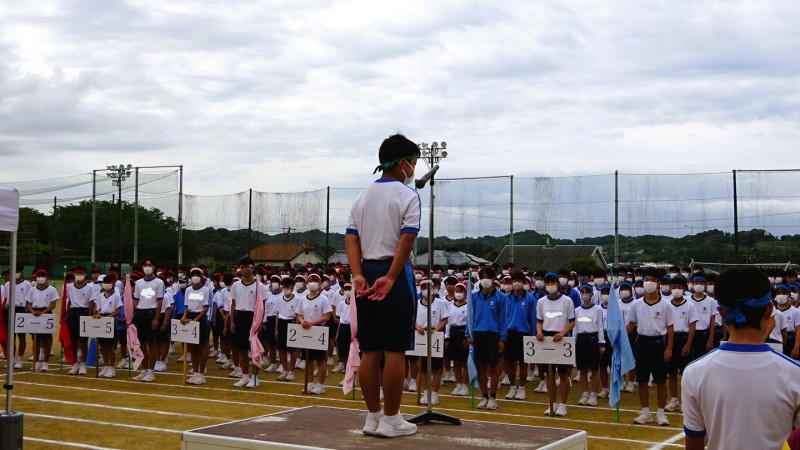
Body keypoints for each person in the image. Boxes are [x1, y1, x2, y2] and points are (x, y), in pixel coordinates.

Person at [345, 133, 421, 437]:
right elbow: (407, 238)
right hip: (394, 272)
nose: (414, 168)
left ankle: (373, 416)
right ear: (402, 162)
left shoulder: (361, 197)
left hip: (365, 272)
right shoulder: (407, 195)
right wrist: (391, 276)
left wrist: (357, 274)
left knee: (370, 350)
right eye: (413, 162)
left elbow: (351, 238)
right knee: (395, 350)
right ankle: (391, 418)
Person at [682, 267, 800, 449]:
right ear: (769, 310)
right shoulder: (794, 372)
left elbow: (694, 443)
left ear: (721, 312)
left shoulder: (695, 372)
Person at [626, 269, 674, 426]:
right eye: (646, 280)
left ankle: (661, 413)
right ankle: (646, 412)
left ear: (658, 283)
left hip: (659, 343)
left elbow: (670, 327)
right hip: (642, 343)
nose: (648, 283)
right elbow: (631, 324)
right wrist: (619, 337)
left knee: (660, 380)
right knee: (642, 379)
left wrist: (669, 348)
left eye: (652, 280)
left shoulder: (666, 305)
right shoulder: (637, 304)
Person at [536, 272, 576, 416]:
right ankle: (552, 403)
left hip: (562, 338)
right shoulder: (541, 301)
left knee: (563, 374)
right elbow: (539, 321)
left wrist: (562, 333)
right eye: (547, 283)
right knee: (548, 374)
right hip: (546, 338)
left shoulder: (567, 301)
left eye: (552, 282)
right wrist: (539, 332)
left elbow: (572, 321)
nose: (550, 286)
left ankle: (563, 404)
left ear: (558, 284)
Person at [229, 257, 268, 388]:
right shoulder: (235, 285)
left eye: (248, 266)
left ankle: (255, 378)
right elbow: (233, 304)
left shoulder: (260, 286)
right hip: (240, 317)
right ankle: (245, 376)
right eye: (243, 267)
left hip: (254, 318)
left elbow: (263, 305)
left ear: (253, 268)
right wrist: (232, 321)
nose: (245, 269)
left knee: (254, 350)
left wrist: (261, 322)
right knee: (241, 349)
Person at [665, 276, 698, 412]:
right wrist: (668, 346)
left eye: (679, 287)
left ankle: (686, 401)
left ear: (684, 288)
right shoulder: (666, 305)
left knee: (685, 372)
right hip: (670, 339)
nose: (676, 290)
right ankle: (674, 400)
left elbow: (692, 326)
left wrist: (688, 344)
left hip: (684, 339)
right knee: (671, 372)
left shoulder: (690, 306)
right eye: (674, 287)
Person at [296, 273, 333, 394]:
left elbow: (327, 316)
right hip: (306, 330)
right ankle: (310, 383)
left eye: (315, 280)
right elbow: (299, 314)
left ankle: (320, 386)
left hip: (319, 331)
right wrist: (302, 322)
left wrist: (311, 323)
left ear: (320, 284)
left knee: (320, 360)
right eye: (310, 280)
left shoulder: (324, 299)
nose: (312, 283)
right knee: (308, 359)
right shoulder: (302, 299)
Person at [504, 271, 536, 401]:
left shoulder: (530, 299)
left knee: (523, 363)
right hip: (508, 334)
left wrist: (533, 336)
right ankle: (512, 387)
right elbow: (502, 317)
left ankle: (522, 389)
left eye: (520, 281)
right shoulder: (505, 298)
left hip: (524, 333)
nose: (517, 283)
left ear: (524, 283)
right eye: (514, 281)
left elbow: (533, 319)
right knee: (510, 362)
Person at [132, 258, 165, 382]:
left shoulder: (159, 282)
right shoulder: (139, 282)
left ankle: (151, 372)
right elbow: (136, 299)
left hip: (152, 313)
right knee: (141, 344)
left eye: (150, 265)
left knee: (152, 344)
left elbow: (160, 300)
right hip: (140, 313)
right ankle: (144, 370)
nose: (147, 267)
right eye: (145, 265)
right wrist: (131, 314)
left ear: (154, 267)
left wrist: (157, 317)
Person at [574, 284, 604, 407]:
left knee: (595, 369)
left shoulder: (597, 309)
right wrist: (574, 343)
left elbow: (600, 327)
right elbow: (575, 328)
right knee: (582, 369)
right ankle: (585, 393)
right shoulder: (577, 310)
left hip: (593, 338)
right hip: (581, 339)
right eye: (583, 292)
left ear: (592, 294)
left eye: (587, 292)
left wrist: (602, 344)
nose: (584, 294)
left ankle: (593, 395)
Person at [65, 266, 97, 376]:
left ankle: (83, 364)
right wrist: (66, 315)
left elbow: (91, 302)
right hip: (73, 313)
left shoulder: (89, 287)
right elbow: (68, 302)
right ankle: (75, 364)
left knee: (83, 341)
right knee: (73, 341)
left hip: (84, 312)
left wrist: (89, 316)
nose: (79, 275)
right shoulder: (69, 287)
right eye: (77, 273)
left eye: (81, 273)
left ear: (85, 274)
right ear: (74, 274)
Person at [25, 269, 59, 372]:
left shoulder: (51, 289)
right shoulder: (32, 289)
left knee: (47, 339)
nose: (40, 278)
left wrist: (43, 312)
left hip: (46, 314)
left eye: (42, 276)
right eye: (38, 276)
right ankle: (36, 362)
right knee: (36, 339)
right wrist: (32, 311)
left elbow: (53, 304)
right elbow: (28, 303)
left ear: (46, 277)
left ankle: (45, 362)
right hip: (34, 314)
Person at [183, 268, 211, 385]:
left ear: (201, 276)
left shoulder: (206, 290)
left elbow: (206, 307)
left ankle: (201, 373)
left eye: (197, 275)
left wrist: (196, 319)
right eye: (193, 275)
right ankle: (195, 373)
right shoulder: (188, 290)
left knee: (202, 346)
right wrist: (184, 316)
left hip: (200, 318)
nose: (195, 277)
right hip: (190, 317)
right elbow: (186, 306)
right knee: (193, 347)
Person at [94, 272, 122, 378]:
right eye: (104, 282)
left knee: (110, 347)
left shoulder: (116, 295)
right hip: (102, 319)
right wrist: (97, 315)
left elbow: (118, 310)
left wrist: (109, 316)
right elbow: (99, 309)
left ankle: (111, 368)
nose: (106, 284)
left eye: (108, 282)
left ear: (112, 283)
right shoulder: (100, 295)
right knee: (102, 346)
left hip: (110, 321)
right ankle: (105, 366)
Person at [3, 266, 32, 369]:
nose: (15, 273)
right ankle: (12, 358)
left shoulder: (27, 284)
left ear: (21, 272)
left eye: (17, 271)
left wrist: (29, 312)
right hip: (9, 310)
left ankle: (20, 358)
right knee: (11, 337)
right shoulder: (7, 284)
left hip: (21, 310)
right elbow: (5, 299)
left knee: (21, 336)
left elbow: (29, 299)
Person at [445, 282, 469, 396]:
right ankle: (458, 384)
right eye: (457, 291)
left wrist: (467, 337)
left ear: (465, 293)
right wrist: (447, 338)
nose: (458, 293)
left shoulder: (468, 306)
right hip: (453, 333)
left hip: (463, 333)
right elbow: (448, 324)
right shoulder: (450, 306)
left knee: (465, 362)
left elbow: (470, 323)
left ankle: (465, 386)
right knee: (456, 362)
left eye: (461, 291)